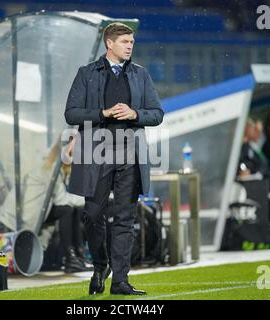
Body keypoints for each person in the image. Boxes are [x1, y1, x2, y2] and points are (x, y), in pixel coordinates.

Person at [64, 22, 163, 295]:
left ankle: (120, 281)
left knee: (124, 219)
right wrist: (103, 113)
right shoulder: (87, 74)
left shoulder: (141, 75)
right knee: (92, 215)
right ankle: (100, 264)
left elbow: (157, 113)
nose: (130, 46)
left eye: (132, 42)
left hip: (130, 156)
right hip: (96, 154)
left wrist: (135, 114)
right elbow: (71, 114)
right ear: (109, 43)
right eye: (125, 42)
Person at [0, 141, 89, 272]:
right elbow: (62, 200)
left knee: (72, 209)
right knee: (67, 210)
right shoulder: (51, 169)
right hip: (20, 215)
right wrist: (91, 199)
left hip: (31, 211)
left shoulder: (53, 166)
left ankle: (77, 257)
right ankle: (71, 258)